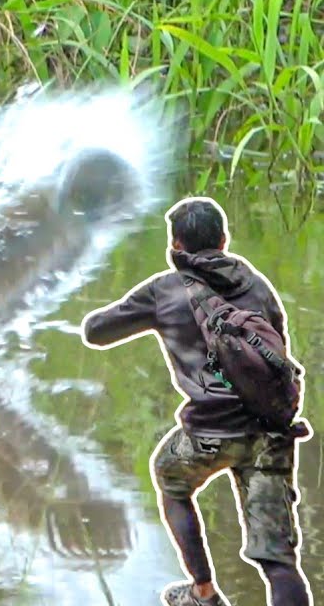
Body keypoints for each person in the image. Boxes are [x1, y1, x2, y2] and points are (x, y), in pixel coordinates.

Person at [80, 196, 311, 606]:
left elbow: (95, 332)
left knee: (169, 476)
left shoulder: (165, 291)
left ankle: (203, 592)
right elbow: (278, 353)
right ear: (223, 240)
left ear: (176, 246)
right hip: (269, 430)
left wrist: (149, 316)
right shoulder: (256, 284)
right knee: (278, 558)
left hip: (207, 433)